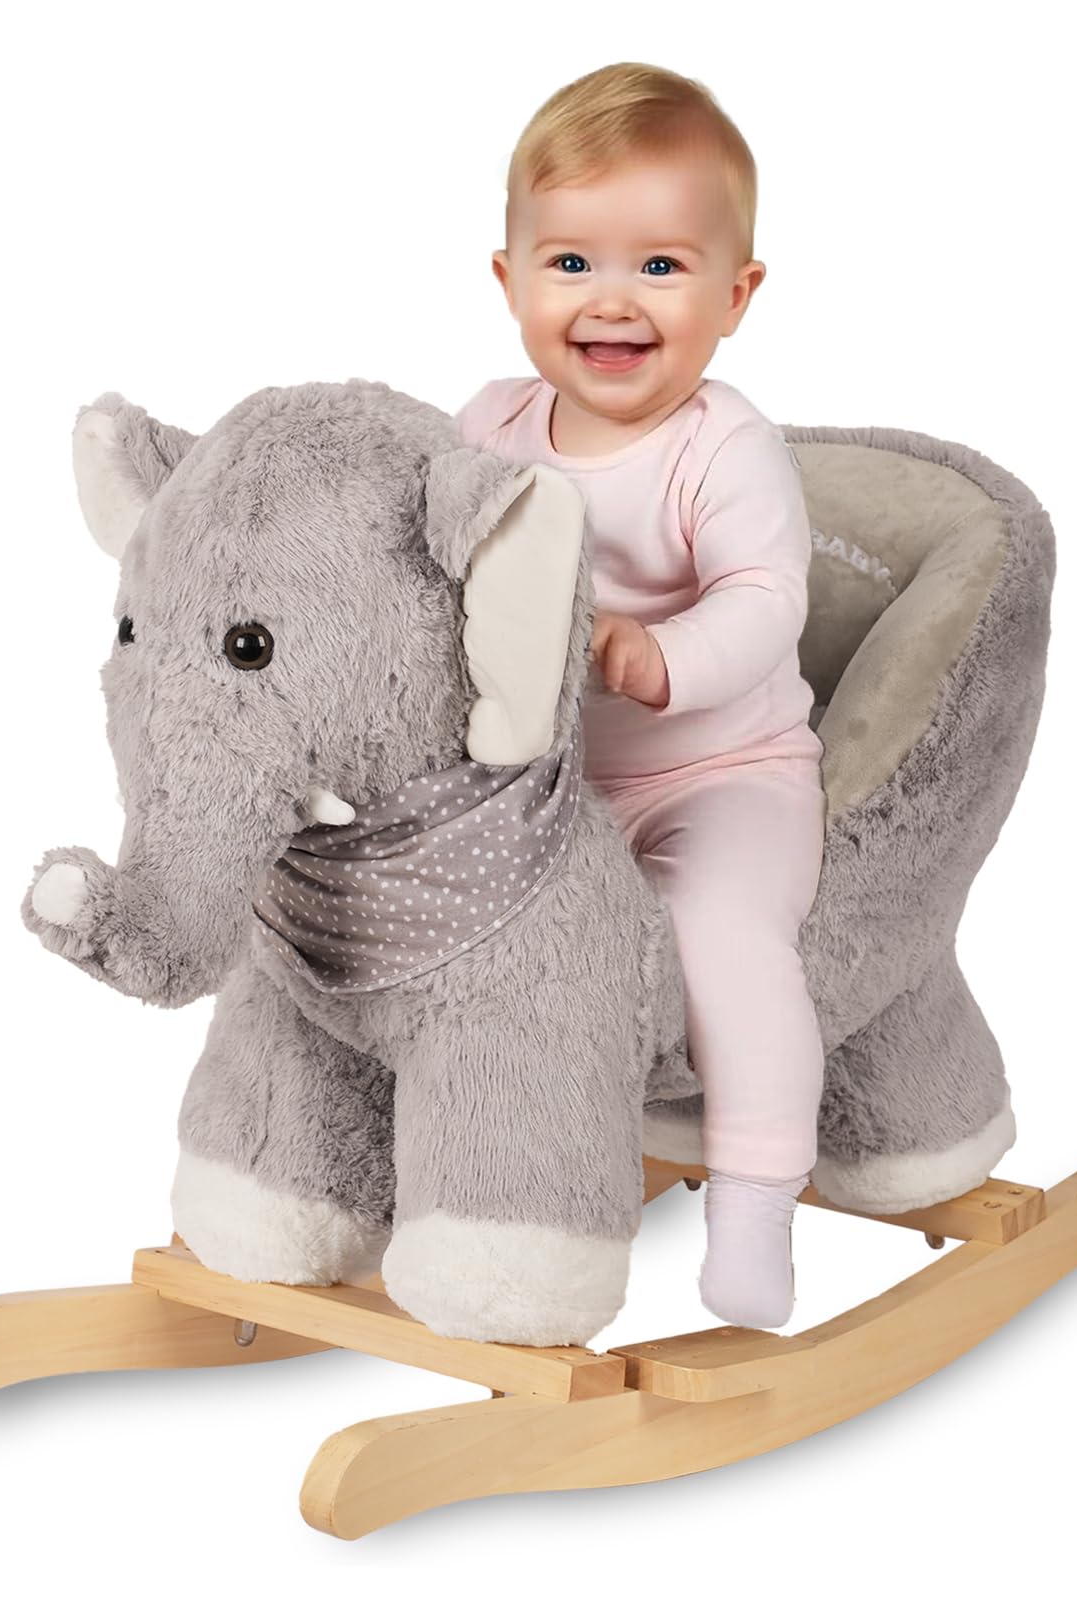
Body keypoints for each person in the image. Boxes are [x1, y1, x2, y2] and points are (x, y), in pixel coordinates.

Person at [453, 62, 828, 1329]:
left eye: (660, 266)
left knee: (721, 935)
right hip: (547, 786)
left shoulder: (722, 445)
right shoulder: (489, 428)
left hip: (719, 777)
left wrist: (660, 655)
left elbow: (767, 597)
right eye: (570, 263)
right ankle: (470, 1169)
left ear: (735, 294)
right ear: (508, 279)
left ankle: (756, 1198)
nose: (610, 299)